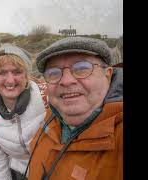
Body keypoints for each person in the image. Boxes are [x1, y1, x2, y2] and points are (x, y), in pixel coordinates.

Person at [27, 37, 123, 180]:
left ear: (107, 75)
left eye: (82, 68)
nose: (66, 81)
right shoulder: (52, 115)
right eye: (53, 73)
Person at [0, 44, 49, 180]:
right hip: (19, 172)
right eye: (2, 73)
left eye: (17, 72)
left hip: (55, 169)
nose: (10, 80)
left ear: (26, 76)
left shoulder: (48, 96)